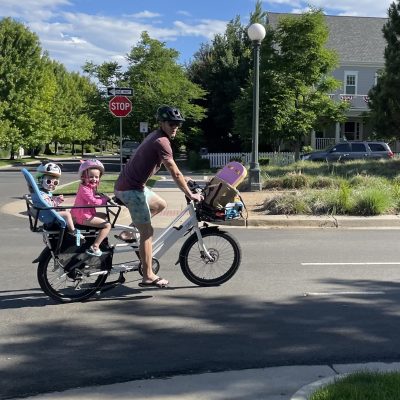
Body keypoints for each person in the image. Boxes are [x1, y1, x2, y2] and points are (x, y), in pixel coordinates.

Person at [114, 105, 203, 288]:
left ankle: (129, 232)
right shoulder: (161, 141)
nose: (175, 127)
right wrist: (189, 193)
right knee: (147, 232)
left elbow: (175, 171)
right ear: (162, 123)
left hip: (131, 186)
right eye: (171, 123)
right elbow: (173, 171)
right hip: (131, 190)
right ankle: (148, 275)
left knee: (160, 204)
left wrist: (184, 179)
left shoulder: (157, 136)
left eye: (178, 124)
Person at [71, 159, 111, 257]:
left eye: (96, 177)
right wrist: (105, 200)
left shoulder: (88, 187)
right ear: (84, 177)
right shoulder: (84, 189)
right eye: (91, 176)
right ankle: (95, 246)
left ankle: (96, 238)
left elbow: (93, 198)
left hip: (85, 213)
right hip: (83, 216)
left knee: (104, 215)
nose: (94, 179)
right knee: (107, 225)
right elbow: (93, 201)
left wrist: (102, 197)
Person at [36, 162, 83, 241]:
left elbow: (47, 201)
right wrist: (57, 200)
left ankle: (66, 227)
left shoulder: (41, 191)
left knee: (64, 210)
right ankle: (73, 231)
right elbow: (48, 204)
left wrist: (55, 198)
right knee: (67, 214)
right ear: (40, 179)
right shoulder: (42, 194)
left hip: (46, 213)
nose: (52, 184)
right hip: (48, 214)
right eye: (48, 181)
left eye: (55, 182)